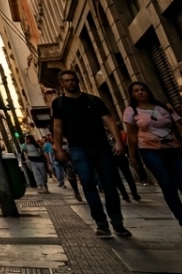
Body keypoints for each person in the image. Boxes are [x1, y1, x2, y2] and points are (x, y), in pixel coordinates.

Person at [52, 70, 130, 238]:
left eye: (73, 80)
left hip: (101, 147)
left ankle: (117, 222)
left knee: (109, 184)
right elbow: (57, 127)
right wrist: (58, 148)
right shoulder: (59, 104)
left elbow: (109, 122)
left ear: (77, 81)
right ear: (62, 84)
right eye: (67, 81)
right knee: (88, 183)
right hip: (78, 148)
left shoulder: (93, 100)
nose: (71, 83)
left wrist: (118, 141)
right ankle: (101, 223)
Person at [123, 81, 182, 226]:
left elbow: (178, 126)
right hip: (150, 151)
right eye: (136, 91)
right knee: (167, 184)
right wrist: (133, 156)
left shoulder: (164, 107)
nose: (140, 92)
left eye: (143, 89)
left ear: (148, 91)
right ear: (132, 95)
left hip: (175, 149)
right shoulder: (131, 111)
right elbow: (131, 135)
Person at [113, 130, 142, 202]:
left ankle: (126, 196)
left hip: (114, 157)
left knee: (119, 179)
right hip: (120, 156)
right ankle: (134, 195)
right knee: (127, 176)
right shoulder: (117, 133)